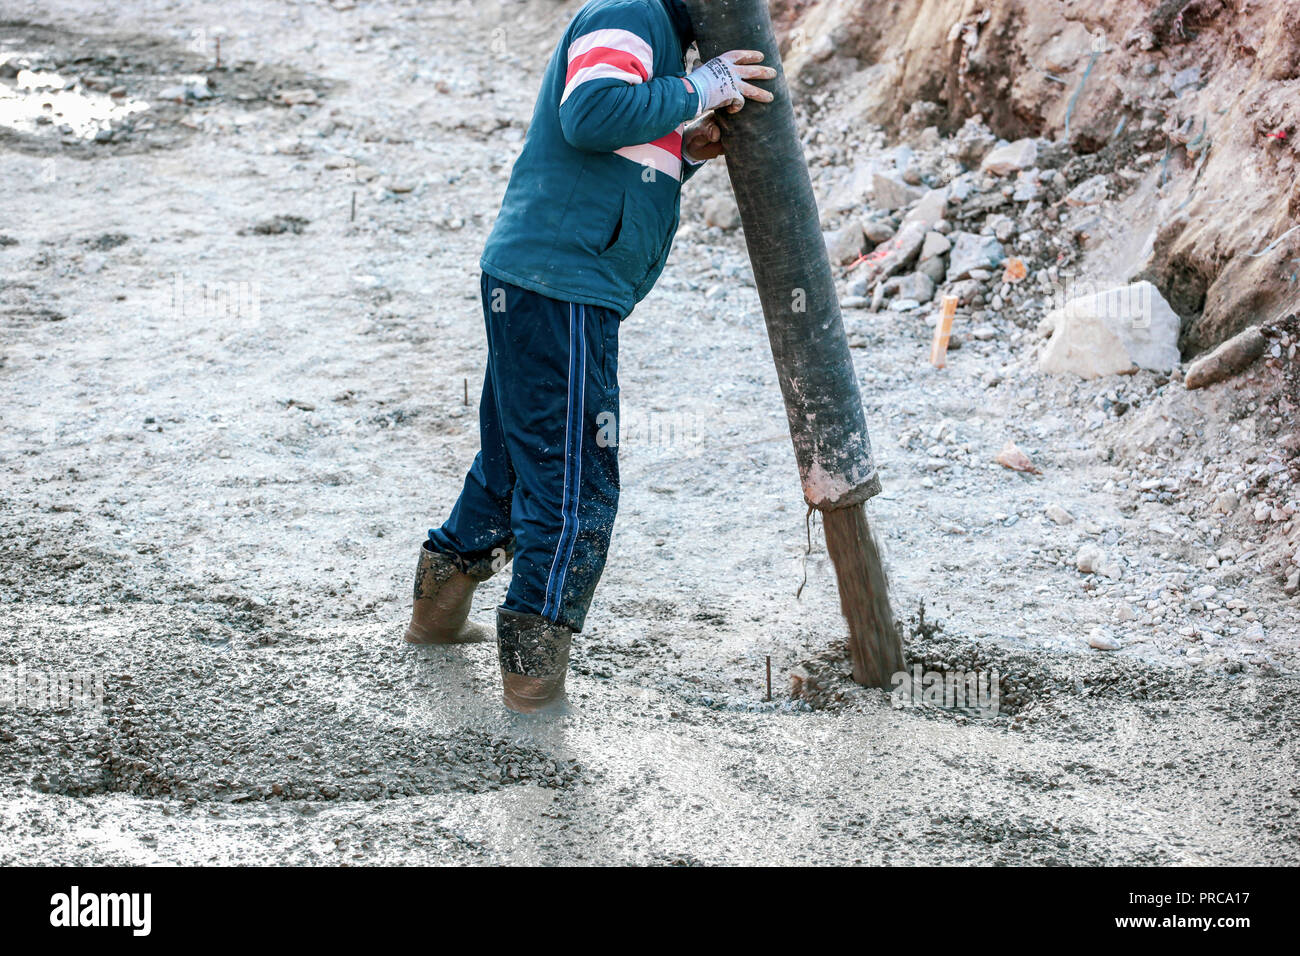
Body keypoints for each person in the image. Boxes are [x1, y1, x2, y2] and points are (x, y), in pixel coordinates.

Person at [405, 0, 776, 713]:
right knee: (574, 483)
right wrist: (708, 84)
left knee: (517, 461)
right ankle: (532, 691)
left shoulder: (654, 34)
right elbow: (592, 113)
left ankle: (436, 618)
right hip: (559, 286)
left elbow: (613, 155)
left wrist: (686, 149)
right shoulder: (632, 11)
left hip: (542, 278)